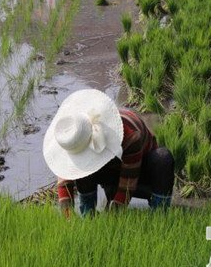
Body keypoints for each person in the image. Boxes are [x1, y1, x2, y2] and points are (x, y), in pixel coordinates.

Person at [42, 89, 174, 217]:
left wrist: (114, 215)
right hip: (111, 168)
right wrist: (67, 215)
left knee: (163, 158)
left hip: (140, 171)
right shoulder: (74, 136)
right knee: (81, 169)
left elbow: (129, 180)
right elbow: (65, 176)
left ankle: (159, 214)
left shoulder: (129, 135)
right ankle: (88, 213)